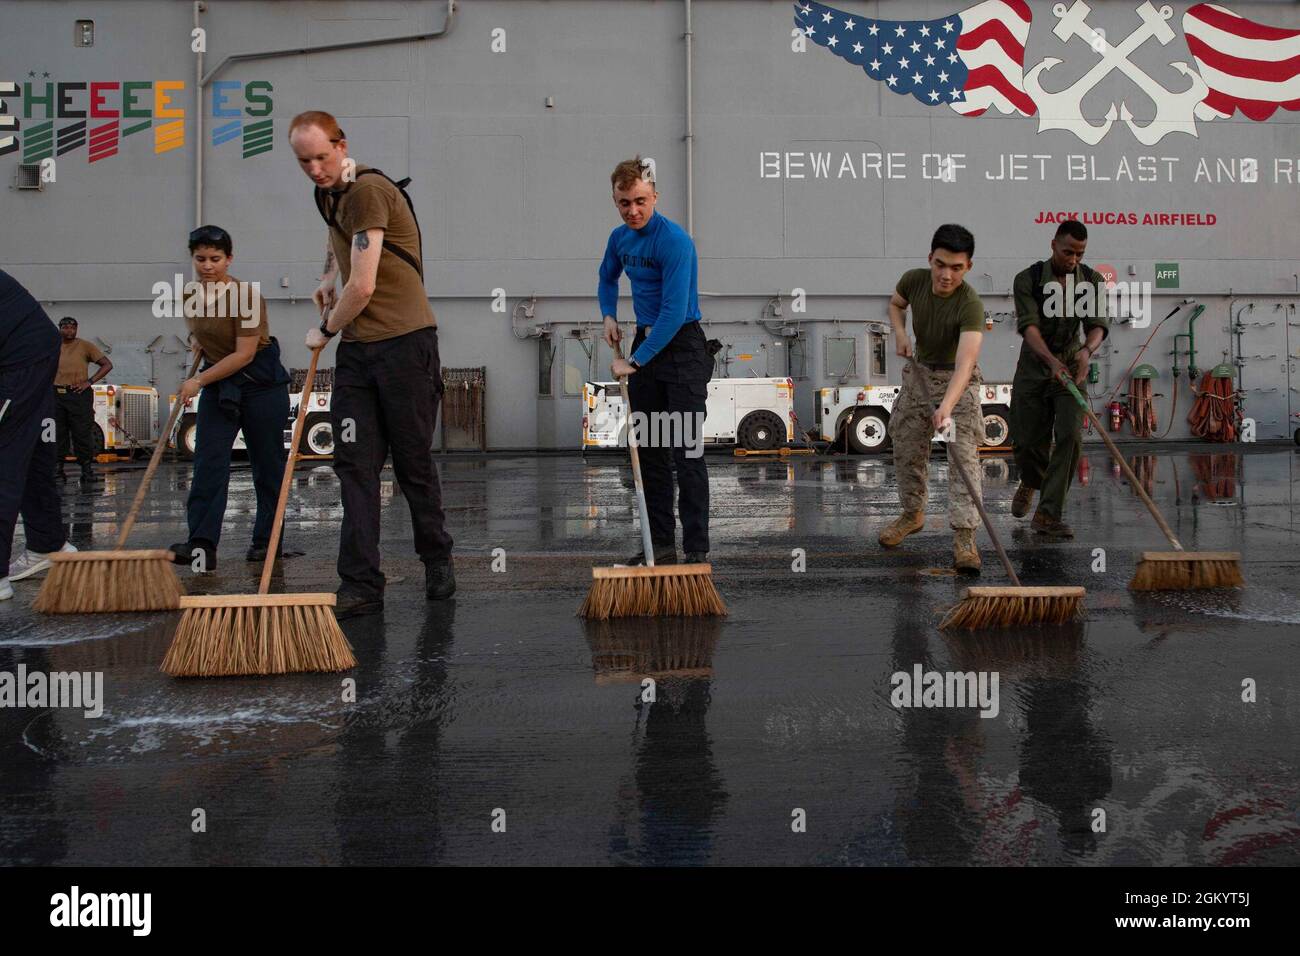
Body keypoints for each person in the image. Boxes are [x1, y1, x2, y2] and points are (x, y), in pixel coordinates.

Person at [290, 109, 454, 619]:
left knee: (411, 464)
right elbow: (338, 240)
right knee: (354, 466)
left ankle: (437, 557)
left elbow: (362, 287)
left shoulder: (368, 190)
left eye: (321, 156)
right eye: (304, 161)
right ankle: (360, 582)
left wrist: (325, 328)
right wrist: (324, 276)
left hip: (406, 345)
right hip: (360, 354)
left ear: (341, 145)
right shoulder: (329, 193)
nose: (315, 168)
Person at [600, 156, 711, 565]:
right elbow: (606, 276)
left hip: (681, 346)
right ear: (616, 200)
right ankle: (661, 546)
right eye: (624, 203)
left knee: (687, 452)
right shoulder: (619, 239)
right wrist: (609, 313)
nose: (633, 211)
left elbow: (674, 311)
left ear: (655, 197)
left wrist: (635, 361)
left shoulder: (675, 241)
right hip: (646, 341)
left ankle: (696, 550)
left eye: (640, 201)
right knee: (650, 450)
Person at [168, 225, 291, 571]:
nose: (207, 265)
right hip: (221, 383)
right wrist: (199, 344)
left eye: (216, 259)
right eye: (200, 258)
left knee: (267, 467)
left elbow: (244, 354)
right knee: (208, 462)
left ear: (229, 259)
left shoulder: (247, 297)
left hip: (259, 384)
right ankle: (202, 546)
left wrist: (198, 380)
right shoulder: (191, 295)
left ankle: (267, 543)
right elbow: (203, 334)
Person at [879, 224, 986, 573]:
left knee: (962, 459)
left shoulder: (970, 304)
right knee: (906, 445)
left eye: (956, 268)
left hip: (958, 382)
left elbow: (965, 364)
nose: (946, 275)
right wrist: (899, 332)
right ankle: (913, 514)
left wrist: (946, 408)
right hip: (920, 374)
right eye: (940, 265)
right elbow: (896, 305)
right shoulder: (913, 280)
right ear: (930, 259)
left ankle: (964, 538)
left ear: (967, 267)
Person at [1009, 220, 1109, 539]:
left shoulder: (1091, 280)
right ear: (1053, 244)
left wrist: (1086, 351)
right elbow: (1029, 327)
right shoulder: (1028, 279)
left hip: (1071, 367)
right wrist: (1050, 361)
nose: (1073, 260)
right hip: (1034, 369)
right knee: (1027, 443)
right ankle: (1031, 479)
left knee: (1070, 437)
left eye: (1079, 254)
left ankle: (1048, 513)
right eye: (1068, 252)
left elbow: (1096, 324)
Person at [0, 269, 76, 601]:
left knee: (4, 460)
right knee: (30, 456)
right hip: (36, 352)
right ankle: (48, 544)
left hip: (19, 361)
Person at [53, 315, 112, 484]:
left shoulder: (85, 346)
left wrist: (90, 382)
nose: (69, 330)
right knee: (59, 433)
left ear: (76, 329)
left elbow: (107, 364)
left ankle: (87, 470)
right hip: (57, 393)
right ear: (60, 329)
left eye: (72, 327)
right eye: (65, 327)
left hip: (78, 394)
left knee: (82, 433)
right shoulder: (53, 346)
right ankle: (58, 470)